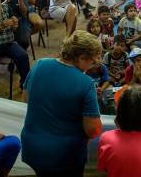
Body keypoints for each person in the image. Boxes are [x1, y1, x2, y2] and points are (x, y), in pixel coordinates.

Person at [22, 30, 103, 176]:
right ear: (82, 57)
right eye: (92, 61)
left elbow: (26, 97)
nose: (92, 66)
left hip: (32, 148)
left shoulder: (39, 64)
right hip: (63, 156)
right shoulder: (85, 83)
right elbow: (92, 130)